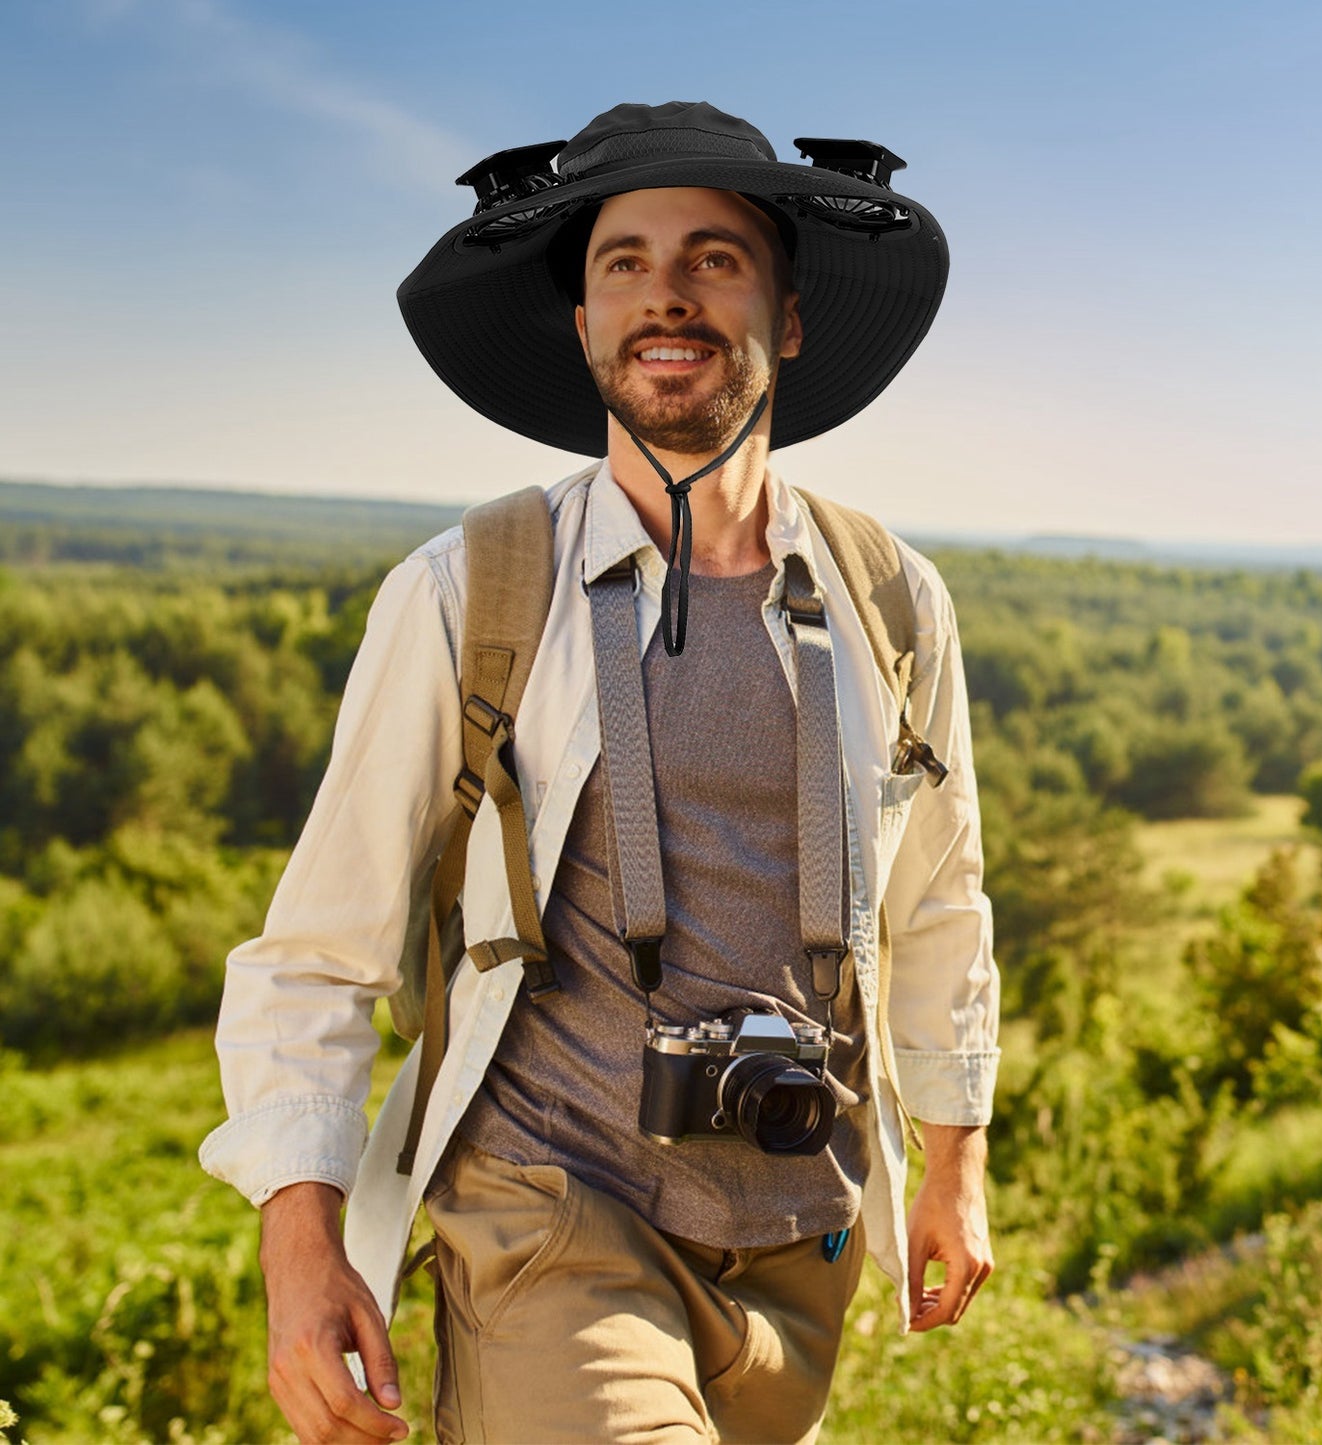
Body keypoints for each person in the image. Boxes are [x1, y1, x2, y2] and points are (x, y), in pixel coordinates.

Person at [201, 100, 1000, 1444]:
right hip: (549, 1210)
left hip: (803, 1238)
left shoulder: (889, 598)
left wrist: (953, 1159)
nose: (663, 296)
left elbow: (938, 898)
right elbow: (316, 949)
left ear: (788, 317)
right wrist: (300, 1239)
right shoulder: (473, 590)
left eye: (713, 257)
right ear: (580, 323)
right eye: (621, 262)